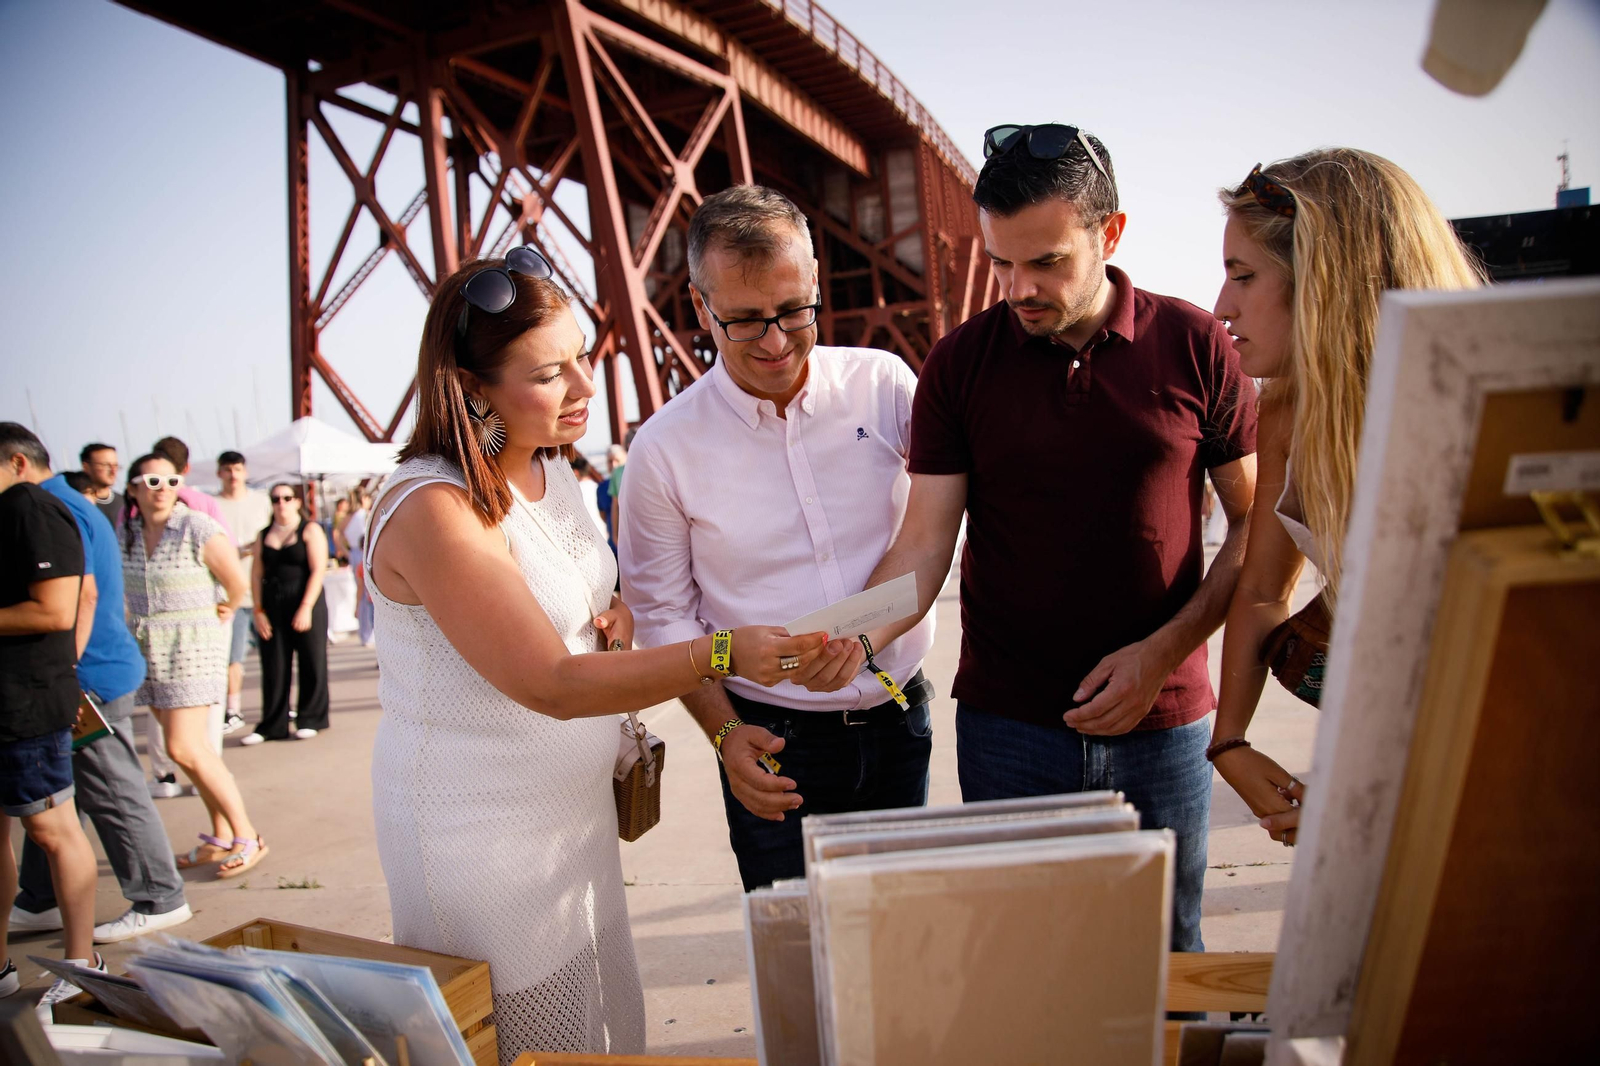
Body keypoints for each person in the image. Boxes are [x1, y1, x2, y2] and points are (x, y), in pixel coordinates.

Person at [364, 245, 823, 1060]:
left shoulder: (549, 468)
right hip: (485, 837)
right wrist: (717, 653)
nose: (584, 389)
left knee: (600, 1026)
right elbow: (546, 680)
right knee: (535, 1038)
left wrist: (605, 613)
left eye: (583, 359)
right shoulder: (433, 506)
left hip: (572, 822)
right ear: (472, 387)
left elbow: (562, 599)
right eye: (549, 374)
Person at [831, 125, 1259, 954]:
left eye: (1047, 262)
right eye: (1000, 263)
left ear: (1112, 234)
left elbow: (1253, 530)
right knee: (1025, 972)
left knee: (1169, 964)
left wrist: (1163, 654)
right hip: (1008, 729)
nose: (1018, 287)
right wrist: (845, 633)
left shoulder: (1197, 346)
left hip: (1165, 725)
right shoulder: (958, 365)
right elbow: (923, 550)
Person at [620, 184, 939, 891]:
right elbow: (663, 617)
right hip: (772, 740)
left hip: (898, 718)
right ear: (701, 309)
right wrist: (725, 736)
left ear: (817, 283)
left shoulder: (885, 385)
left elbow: (940, 527)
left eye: (795, 311)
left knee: (903, 960)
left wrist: (864, 631)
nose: (774, 341)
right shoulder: (664, 449)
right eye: (743, 320)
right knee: (797, 966)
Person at [1207, 149, 1484, 846]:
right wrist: (1230, 742)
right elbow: (1265, 586)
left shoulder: (1473, 409)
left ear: (1327, 280)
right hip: (1388, 745)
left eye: (1243, 276)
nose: (1221, 306)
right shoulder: (1287, 410)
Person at [3, 426, 193, 946]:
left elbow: (80, 597)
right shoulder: (67, 502)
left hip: (87, 678)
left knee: (110, 789)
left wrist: (63, 674)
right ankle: (40, 899)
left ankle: (160, 896)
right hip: (89, 671)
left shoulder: (44, 509)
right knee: (61, 797)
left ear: (19, 463)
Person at [122, 452, 268, 879]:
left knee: (184, 747)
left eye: (171, 482)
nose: (163, 490)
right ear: (133, 489)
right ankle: (221, 833)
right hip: (149, 649)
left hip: (191, 648)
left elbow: (236, 582)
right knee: (188, 752)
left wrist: (223, 610)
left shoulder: (195, 526)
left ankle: (247, 834)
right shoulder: (127, 533)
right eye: (151, 482)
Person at [0, 425, 105, 1015]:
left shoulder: (34, 508)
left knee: (52, 830)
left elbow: (57, 607)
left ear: (17, 462)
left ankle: (83, 962)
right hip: (14, 698)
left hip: (29, 701)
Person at [144, 436, 231, 797]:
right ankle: (204, 773)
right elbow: (229, 557)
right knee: (201, 711)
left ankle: (174, 773)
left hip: (176, 628)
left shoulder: (191, 511)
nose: (161, 490)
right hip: (188, 625)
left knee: (173, 724)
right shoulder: (203, 504)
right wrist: (227, 601)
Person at [243, 484, 330, 743]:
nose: (281, 503)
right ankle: (272, 724)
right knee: (274, 664)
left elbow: (318, 570)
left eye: (287, 498)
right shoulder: (263, 534)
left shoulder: (310, 530)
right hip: (273, 604)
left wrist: (306, 607)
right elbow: (257, 573)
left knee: (311, 660)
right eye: (276, 499)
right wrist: (258, 610)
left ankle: (310, 717)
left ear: (297, 502)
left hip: (305, 599)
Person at [212, 451, 273, 735]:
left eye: (237, 469)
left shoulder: (261, 502)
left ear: (245, 471)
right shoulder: (212, 504)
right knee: (232, 657)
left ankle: (277, 705)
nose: (233, 475)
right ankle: (233, 709)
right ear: (219, 473)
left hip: (265, 591)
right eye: (227, 470)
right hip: (231, 595)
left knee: (274, 656)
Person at [341, 486, 375, 647]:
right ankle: (368, 632)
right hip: (364, 551)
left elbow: (337, 534)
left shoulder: (348, 517)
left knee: (361, 593)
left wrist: (346, 551)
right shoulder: (365, 515)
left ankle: (365, 633)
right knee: (367, 593)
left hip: (355, 552)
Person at [79, 443, 122, 529]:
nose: (113, 471)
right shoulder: (78, 503)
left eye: (115, 466)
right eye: (105, 465)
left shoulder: (124, 502)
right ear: (86, 467)